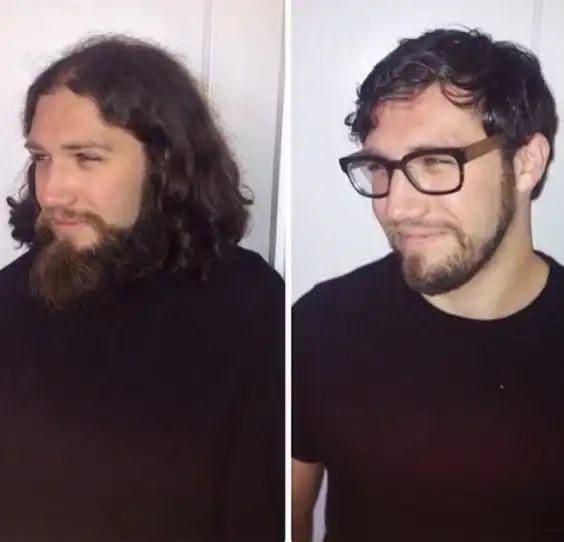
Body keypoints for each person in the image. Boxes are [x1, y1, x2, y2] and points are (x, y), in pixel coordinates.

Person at [0, 34, 284, 541]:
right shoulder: (10, 297)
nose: (52, 191)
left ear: (163, 162)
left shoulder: (250, 308)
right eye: (42, 158)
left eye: (86, 158)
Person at [292, 27, 564, 541]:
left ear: (527, 162)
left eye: (435, 162)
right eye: (380, 167)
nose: (395, 207)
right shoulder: (320, 326)